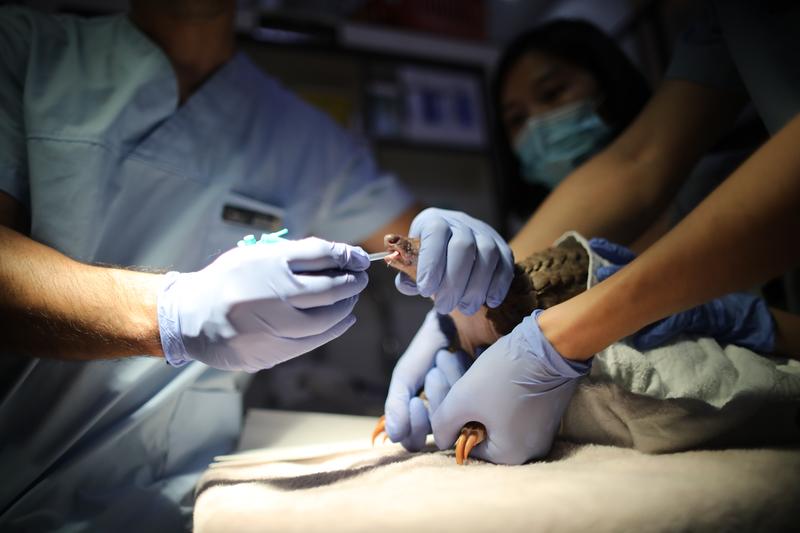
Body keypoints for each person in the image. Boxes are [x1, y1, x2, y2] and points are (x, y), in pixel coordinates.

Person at [385, 0, 800, 465]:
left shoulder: (713, 189)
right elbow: (642, 159)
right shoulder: (726, 22)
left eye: (554, 92)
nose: (539, 125)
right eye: (517, 118)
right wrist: (484, 291)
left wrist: (561, 338)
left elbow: (730, 310)